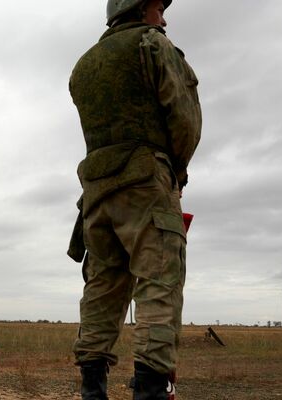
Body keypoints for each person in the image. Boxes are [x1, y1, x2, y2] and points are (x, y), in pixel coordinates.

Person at [67, 0, 201, 398]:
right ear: (141, 9)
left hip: (96, 196)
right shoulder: (153, 44)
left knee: (102, 289)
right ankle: (150, 391)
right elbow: (185, 121)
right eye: (159, 9)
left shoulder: (83, 65)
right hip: (146, 183)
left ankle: (93, 391)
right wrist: (175, 172)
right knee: (159, 281)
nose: (164, 18)